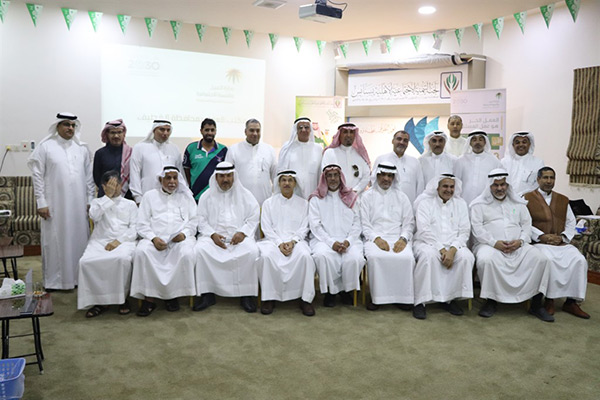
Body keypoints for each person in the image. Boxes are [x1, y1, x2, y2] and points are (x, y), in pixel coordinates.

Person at [470, 169, 553, 322]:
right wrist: (494, 243)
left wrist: (520, 241)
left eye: (503, 184)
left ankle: (536, 304)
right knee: (487, 260)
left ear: (507, 185)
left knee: (541, 259)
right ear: (489, 186)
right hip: (488, 245)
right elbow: (477, 229)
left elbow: (527, 225)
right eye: (496, 185)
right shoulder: (478, 204)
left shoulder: (518, 203)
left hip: (518, 245)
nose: (500, 188)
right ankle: (491, 301)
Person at [28, 112, 95, 290]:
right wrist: (41, 202)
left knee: (78, 240)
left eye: (73, 125)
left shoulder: (82, 148)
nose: (70, 128)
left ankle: (77, 279)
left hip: (78, 205)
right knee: (55, 241)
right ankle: (54, 281)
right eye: (66, 124)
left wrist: (90, 199)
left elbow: (88, 178)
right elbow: (37, 176)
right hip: (54, 205)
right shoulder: (45, 147)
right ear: (57, 126)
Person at [194, 162, 260, 313]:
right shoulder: (206, 196)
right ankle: (207, 294)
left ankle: (246, 295)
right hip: (213, 237)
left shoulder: (245, 195)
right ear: (215, 178)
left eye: (229, 176)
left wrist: (242, 232)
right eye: (222, 176)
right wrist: (212, 234)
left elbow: (253, 216)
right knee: (200, 251)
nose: (225, 179)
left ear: (234, 176)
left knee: (251, 251)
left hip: (239, 237)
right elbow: (201, 220)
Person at [130, 167, 197, 316]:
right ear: (161, 180)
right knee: (141, 252)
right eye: (168, 178)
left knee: (186, 253)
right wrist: (153, 238)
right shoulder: (149, 196)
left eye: (175, 178)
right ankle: (149, 298)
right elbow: (141, 223)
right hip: (154, 239)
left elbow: (194, 221)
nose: (172, 181)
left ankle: (172, 296)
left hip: (179, 240)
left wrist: (184, 234)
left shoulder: (186, 197)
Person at [524, 167, 590, 319]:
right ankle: (549, 300)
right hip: (539, 243)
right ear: (538, 180)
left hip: (560, 242)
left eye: (552, 178)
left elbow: (571, 222)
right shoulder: (527, 198)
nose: (549, 181)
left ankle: (571, 302)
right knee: (549, 260)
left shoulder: (563, 199)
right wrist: (542, 236)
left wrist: (562, 237)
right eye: (545, 178)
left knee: (579, 260)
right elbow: (525, 222)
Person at [412, 174, 474, 319]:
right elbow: (424, 230)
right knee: (429, 257)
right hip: (427, 242)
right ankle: (420, 302)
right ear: (437, 187)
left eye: (452, 187)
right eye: (445, 186)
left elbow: (465, 231)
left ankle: (449, 299)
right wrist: (441, 249)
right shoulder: (425, 203)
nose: (449, 190)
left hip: (453, 244)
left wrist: (452, 249)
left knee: (466, 257)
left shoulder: (461, 204)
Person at [77, 171, 138, 317]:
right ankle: (99, 302)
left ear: (121, 185)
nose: (114, 188)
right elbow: (94, 216)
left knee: (121, 260)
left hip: (124, 241)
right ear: (103, 187)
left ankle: (122, 299)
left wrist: (119, 241)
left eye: (116, 184)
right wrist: (108, 197)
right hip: (100, 240)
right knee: (85, 262)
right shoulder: (97, 203)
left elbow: (135, 228)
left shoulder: (130, 204)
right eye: (110, 185)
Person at [258, 170, 316, 316]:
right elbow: (266, 228)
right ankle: (269, 298)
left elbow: (305, 227)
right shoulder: (268, 203)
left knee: (305, 257)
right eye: (283, 180)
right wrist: (279, 243)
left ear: (295, 183)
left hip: (297, 241)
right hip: (273, 241)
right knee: (266, 257)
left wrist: (293, 241)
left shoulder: (304, 204)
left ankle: (305, 299)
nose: (287, 183)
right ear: (279, 183)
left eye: (290, 180)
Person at [360, 162, 415, 311]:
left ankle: (402, 298)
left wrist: (403, 239)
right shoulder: (366, 197)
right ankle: (377, 298)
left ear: (394, 178)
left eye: (390, 176)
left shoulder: (402, 197)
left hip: (398, 237)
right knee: (375, 257)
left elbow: (409, 223)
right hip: (373, 238)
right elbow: (364, 224)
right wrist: (376, 239)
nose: (386, 178)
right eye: (383, 175)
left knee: (407, 258)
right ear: (377, 175)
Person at [309, 164, 364, 307]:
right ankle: (330, 292)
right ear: (324, 178)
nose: (333, 178)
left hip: (349, 239)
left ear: (341, 177)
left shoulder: (352, 197)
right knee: (322, 256)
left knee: (355, 258)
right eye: (329, 176)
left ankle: (346, 291)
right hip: (323, 240)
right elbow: (315, 226)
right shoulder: (316, 199)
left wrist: (348, 241)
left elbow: (358, 222)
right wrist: (331, 243)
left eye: (335, 175)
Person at [130, 120, 183, 204]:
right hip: (147, 196)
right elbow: (135, 174)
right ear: (154, 130)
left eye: (168, 130)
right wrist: (138, 198)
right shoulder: (140, 148)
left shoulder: (174, 149)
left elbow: (180, 175)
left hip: (171, 199)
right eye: (162, 129)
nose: (165, 133)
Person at [225, 119, 276, 207]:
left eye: (258, 131)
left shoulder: (269, 150)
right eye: (251, 130)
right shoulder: (234, 150)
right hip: (240, 203)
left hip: (264, 203)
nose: (255, 134)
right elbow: (227, 176)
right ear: (245, 132)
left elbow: (275, 177)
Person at [372, 130, 424, 203]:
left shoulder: (415, 162)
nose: (402, 142)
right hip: (384, 205)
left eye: (405, 140)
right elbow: (373, 183)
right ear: (393, 141)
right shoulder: (381, 159)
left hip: (409, 206)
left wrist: (417, 206)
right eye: (399, 139)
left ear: (408, 144)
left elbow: (420, 187)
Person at [276, 117, 323, 199]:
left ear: (310, 130)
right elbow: (281, 171)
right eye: (300, 127)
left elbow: (321, 174)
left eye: (306, 127)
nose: (303, 130)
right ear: (296, 131)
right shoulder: (287, 148)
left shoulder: (318, 149)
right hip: (292, 195)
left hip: (313, 194)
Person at [183, 118, 227, 201]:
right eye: (207, 130)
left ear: (215, 131)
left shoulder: (223, 150)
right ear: (201, 131)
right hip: (196, 195)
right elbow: (186, 171)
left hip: (217, 196)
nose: (210, 133)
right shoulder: (191, 148)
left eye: (212, 130)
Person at [454, 130, 501, 205]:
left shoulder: (494, 161)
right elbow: (456, 181)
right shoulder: (461, 160)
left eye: (480, 139)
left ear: (485, 142)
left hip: (487, 202)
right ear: (470, 142)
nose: (477, 142)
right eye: (474, 140)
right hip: (464, 201)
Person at [321, 123, 371, 194]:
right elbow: (325, 175)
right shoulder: (330, 153)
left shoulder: (360, 154)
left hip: (356, 197)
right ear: (339, 135)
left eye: (351, 132)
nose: (348, 135)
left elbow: (366, 175)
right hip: (336, 196)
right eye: (345, 132)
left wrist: (356, 190)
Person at [92, 119, 133, 199]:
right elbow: (97, 178)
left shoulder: (131, 153)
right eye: (113, 133)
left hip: (126, 197)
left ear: (124, 134)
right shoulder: (100, 153)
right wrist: (109, 188)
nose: (116, 136)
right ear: (107, 134)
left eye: (119, 132)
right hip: (105, 195)